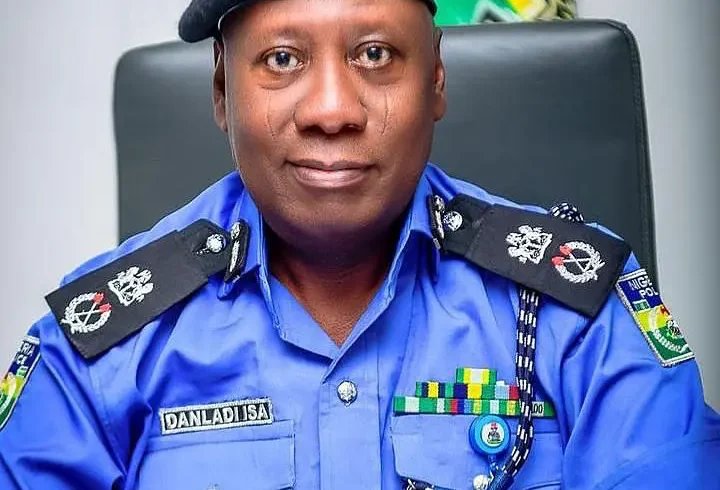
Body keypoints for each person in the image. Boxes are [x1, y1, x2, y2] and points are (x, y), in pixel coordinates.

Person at [1, 0, 718, 488]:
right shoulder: (98, 345)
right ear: (221, 90)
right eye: (282, 59)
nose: (332, 109)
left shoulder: (578, 310)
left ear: (436, 77)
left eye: (375, 54)